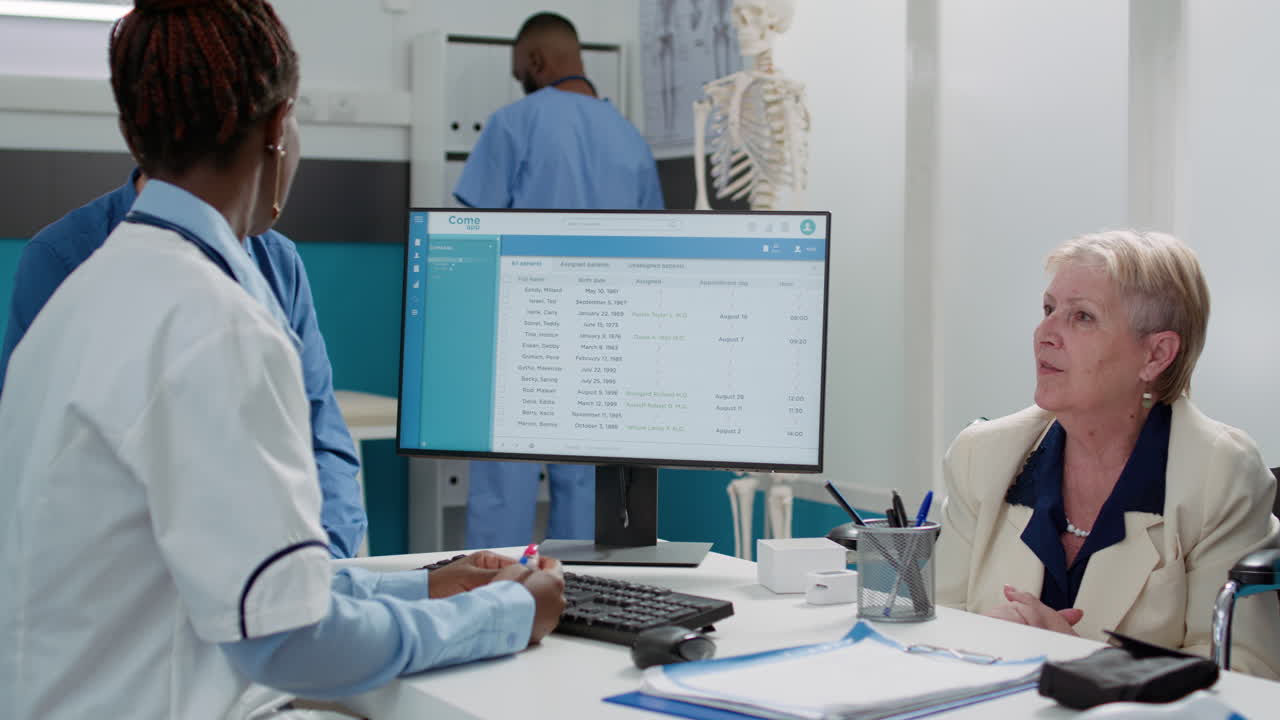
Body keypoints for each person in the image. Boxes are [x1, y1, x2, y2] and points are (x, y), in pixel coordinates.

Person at [0, 3, 565, 719]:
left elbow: (238, 586)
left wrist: (429, 584)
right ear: (278, 128)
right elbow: (292, 641)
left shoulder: (84, 297)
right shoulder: (216, 323)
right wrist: (504, 618)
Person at [936, 230, 1280, 679]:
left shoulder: (1220, 474)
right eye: (1047, 310)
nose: (1044, 333)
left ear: (1156, 354)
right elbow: (936, 629)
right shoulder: (982, 455)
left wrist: (1087, 664)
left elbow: (1245, 672)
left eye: (1081, 317)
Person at [1, 185, 363, 557]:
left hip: (261, 571)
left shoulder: (276, 262)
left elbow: (322, 438)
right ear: (274, 138)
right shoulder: (67, 258)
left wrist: (328, 558)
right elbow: (32, 458)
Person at [454, 11, 664, 549]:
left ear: (536, 61)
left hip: (522, 335)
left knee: (504, 489)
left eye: (518, 68)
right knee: (587, 493)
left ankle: (494, 599)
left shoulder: (513, 123)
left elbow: (472, 238)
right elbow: (653, 261)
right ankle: (576, 600)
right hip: (604, 338)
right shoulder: (632, 143)